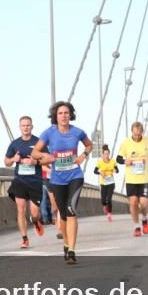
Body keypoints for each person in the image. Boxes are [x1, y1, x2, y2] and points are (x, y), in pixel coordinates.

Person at [32, 101, 92, 264]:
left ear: (70, 115)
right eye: (60, 113)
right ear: (55, 116)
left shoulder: (77, 132)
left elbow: (89, 145)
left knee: (71, 210)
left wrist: (83, 156)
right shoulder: (49, 133)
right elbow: (35, 152)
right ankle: (66, 244)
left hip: (75, 176)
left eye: (66, 113)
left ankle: (72, 250)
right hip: (57, 179)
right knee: (63, 215)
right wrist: (46, 157)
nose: (64, 116)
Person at [4, 116, 47, 248]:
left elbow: (48, 159)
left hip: (35, 181)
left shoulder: (39, 142)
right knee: (21, 210)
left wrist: (35, 162)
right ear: (20, 127)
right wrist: (13, 159)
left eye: (28, 125)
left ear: (32, 126)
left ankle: (35, 222)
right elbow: (6, 162)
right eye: (23, 125)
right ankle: (24, 238)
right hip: (20, 181)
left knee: (34, 214)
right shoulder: (15, 144)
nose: (26, 128)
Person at [117, 122, 148, 237]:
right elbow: (118, 158)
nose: (137, 137)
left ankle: (144, 219)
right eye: (135, 135)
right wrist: (125, 161)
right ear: (132, 132)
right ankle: (136, 226)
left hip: (144, 178)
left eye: (139, 135)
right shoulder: (126, 143)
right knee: (133, 203)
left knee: (143, 204)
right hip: (131, 179)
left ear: (142, 132)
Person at [94, 145, 119, 222]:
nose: (106, 155)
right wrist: (100, 172)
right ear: (103, 155)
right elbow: (95, 171)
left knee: (109, 199)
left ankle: (109, 215)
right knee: (103, 201)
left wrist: (115, 170)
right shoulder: (100, 162)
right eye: (105, 154)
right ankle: (105, 206)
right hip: (103, 183)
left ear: (109, 154)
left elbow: (117, 170)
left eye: (107, 154)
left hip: (111, 183)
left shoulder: (113, 161)